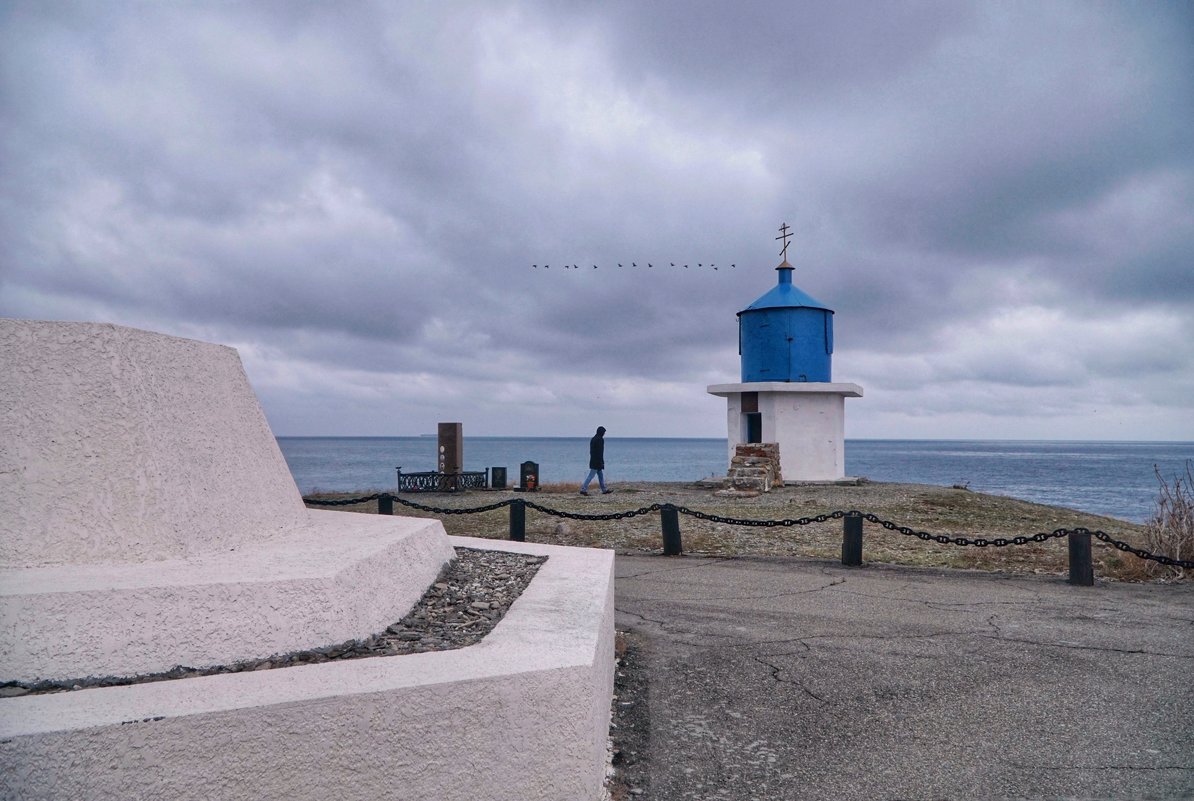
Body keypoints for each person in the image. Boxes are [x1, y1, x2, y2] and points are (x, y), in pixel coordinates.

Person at [580, 426, 612, 495]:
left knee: (600, 475)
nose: (604, 434)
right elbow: (600, 452)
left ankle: (604, 489)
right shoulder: (600, 440)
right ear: (601, 432)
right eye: (604, 432)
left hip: (593, 459)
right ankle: (583, 489)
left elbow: (592, 451)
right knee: (591, 476)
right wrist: (601, 461)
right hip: (597, 461)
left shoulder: (593, 439)